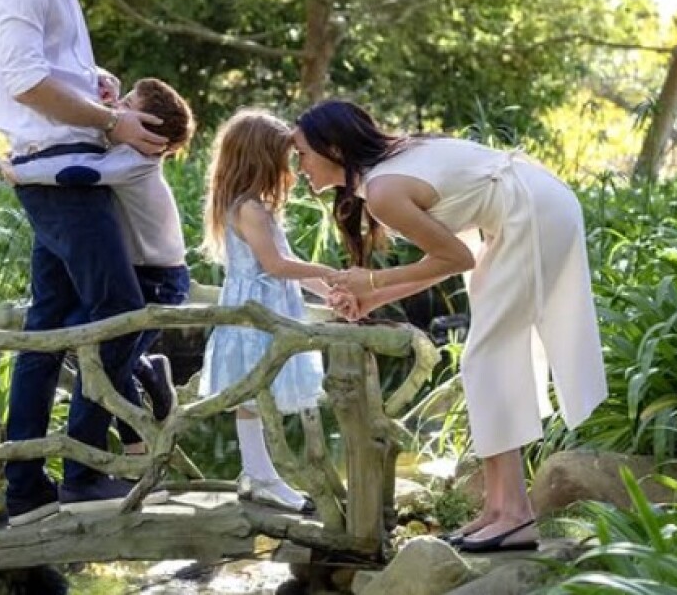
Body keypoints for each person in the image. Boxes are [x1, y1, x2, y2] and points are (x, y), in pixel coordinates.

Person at [292, 99, 607, 553]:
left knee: (486, 357)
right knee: (487, 358)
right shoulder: (387, 174)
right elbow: (441, 262)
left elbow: (458, 258)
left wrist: (373, 280)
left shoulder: (382, 190)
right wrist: (371, 296)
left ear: (335, 149)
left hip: (534, 213)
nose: (299, 166)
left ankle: (516, 514)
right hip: (532, 207)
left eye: (302, 153)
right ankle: (500, 508)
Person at [0, 0, 169, 526]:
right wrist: (113, 125)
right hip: (58, 178)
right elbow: (26, 83)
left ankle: (27, 489)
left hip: (62, 171)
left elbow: (48, 73)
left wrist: (95, 86)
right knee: (120, 309)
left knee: (48, 328)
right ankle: (84, 471)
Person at [0, 77, 197, 448]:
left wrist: (18, 172)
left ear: (149, 130)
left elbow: (79, 171)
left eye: (128, 105)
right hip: (142, 270)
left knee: (104, 348)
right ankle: (144, 392)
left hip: (160, 279)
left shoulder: (135, 160)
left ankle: (134, 426)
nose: (116, 110)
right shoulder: (125, 152)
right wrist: (105, 90)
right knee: (95, 343)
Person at [197, 110, 332, 514]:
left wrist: (331, 292)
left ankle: (255, 471)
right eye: (285, 158)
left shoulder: (254, 207)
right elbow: (276, 267)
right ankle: (263, 477)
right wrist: (331, 270)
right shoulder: (249, 209)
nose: (291, 168)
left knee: (256, 396)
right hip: (256, 317)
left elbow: (286, 263)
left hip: (264, 312)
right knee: (255, 395)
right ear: (262, 159)